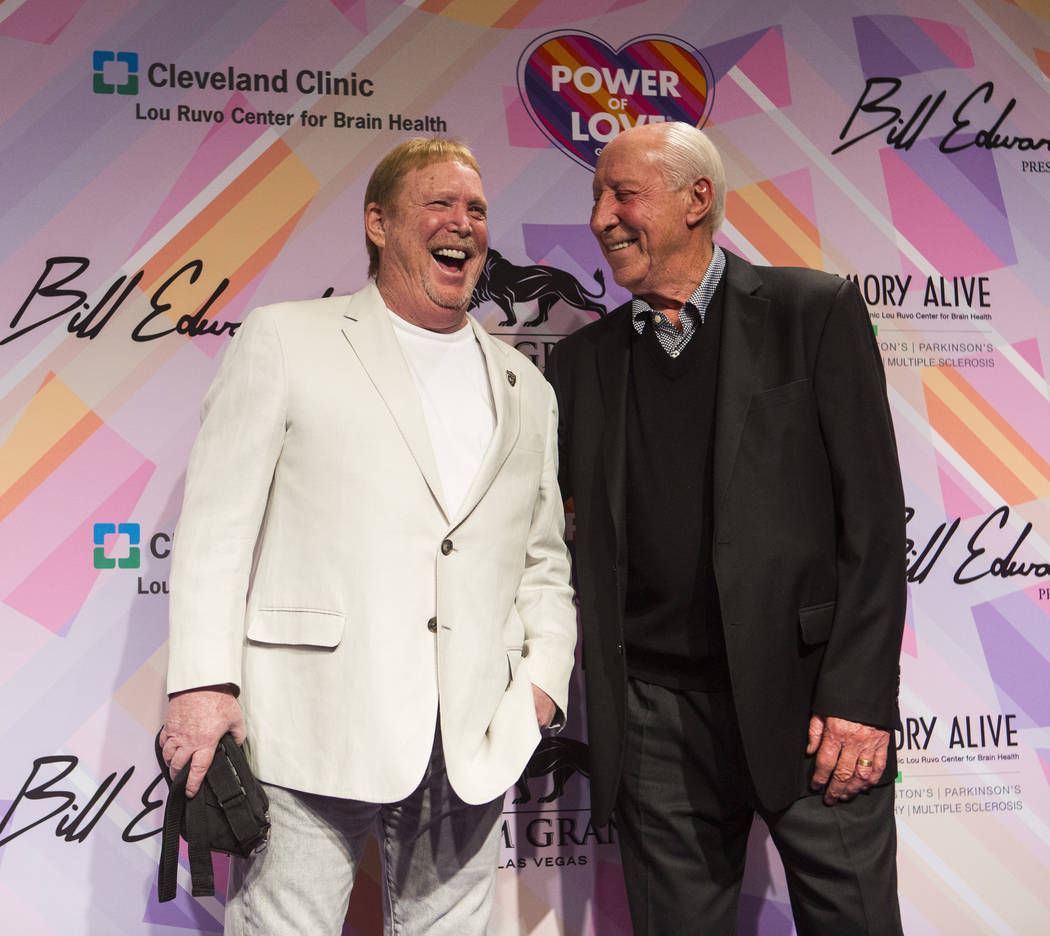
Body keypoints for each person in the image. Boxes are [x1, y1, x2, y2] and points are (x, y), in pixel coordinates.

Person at [158, 137, 577, 935]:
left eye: (478, 209)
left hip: (475, 736)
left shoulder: (526, 385)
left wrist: (541, 687)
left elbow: (543, 563)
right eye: (441, 204)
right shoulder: (287, 338)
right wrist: (203, 689)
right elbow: (216, 529)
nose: (465, 223)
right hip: (308, 725)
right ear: (378, 223)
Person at [545, 122, 905, 935]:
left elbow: (876, 526)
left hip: (815, 710)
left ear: (696, 200)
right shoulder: (581, 364)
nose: (601, 217)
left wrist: (857, 699)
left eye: (622, 194)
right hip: (656, 724)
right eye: (596, 197)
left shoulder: (812, 313)